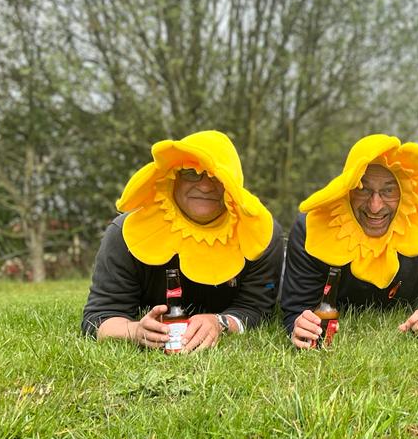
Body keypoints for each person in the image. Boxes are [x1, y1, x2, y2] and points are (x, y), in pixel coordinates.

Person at [82, 130, 284, 351]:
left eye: (216, 176)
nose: (205, 186)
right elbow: (98, 317)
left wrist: (220, 322)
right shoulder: (126, 233)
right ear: (172, 177)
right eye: (191, 172)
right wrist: (136, 330)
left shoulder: (260, 234)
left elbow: (256, 310)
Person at [281, 133, 418, 348]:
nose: (375, 206)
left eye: (388, 190)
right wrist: (297, 325)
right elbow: (296, 307)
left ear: (404, 191)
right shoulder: (311, 227)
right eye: (362, 189)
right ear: (346, 189)